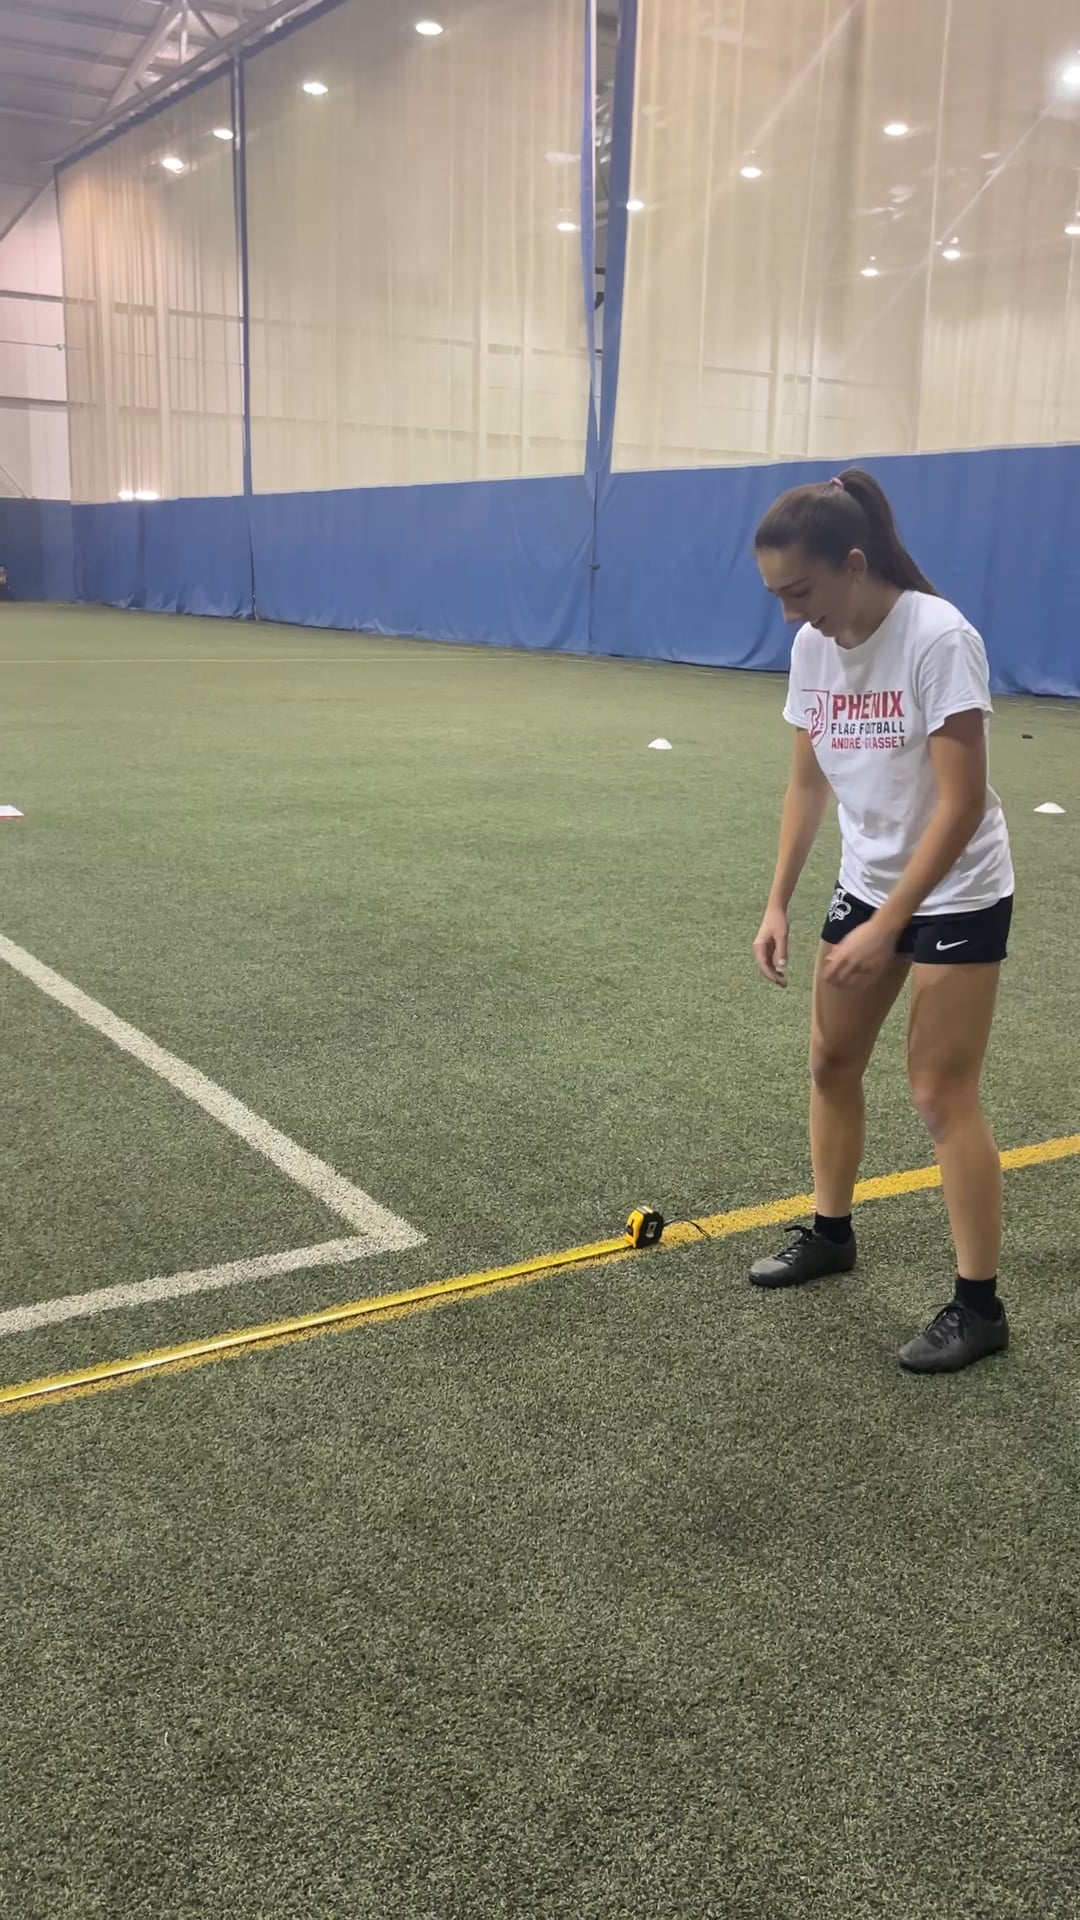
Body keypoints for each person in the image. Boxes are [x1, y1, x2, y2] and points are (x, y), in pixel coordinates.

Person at [750, 468, 1014, 1374]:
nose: (792, 614)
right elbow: (807, 785)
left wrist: (890, 921)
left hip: (959, 888)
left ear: (854, 564)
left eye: (801, 591)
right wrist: (779, 901)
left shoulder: (939, 638)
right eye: (778, 597)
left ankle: (978, 1307)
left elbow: (963, 803)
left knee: (940, 1094)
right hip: (869, 883)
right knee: (830, 1061)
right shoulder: (813, 649)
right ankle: (831, 1233)